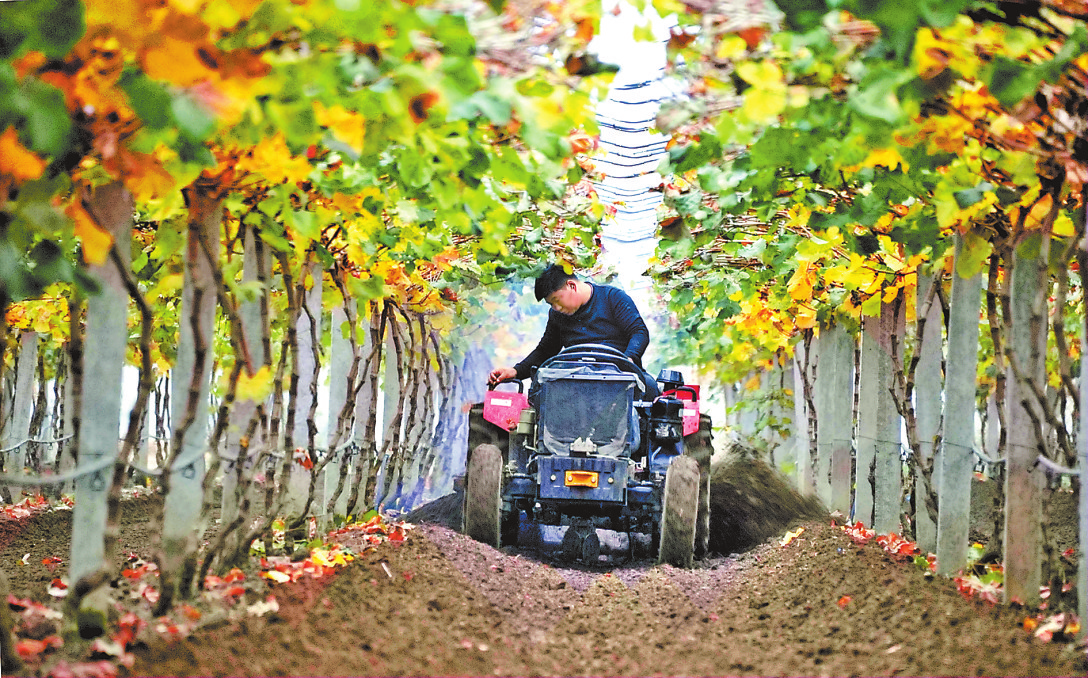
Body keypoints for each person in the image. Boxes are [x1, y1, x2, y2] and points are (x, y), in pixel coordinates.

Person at [488, 264, 660, 399]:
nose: (556, 307)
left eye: (556, 300)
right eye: (551, 304)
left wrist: (627, 360)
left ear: (571, 285)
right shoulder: (557, 315)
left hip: (619, 377)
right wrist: (516, 371)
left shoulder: (612, 298)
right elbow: (545, 351)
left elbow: (638, 332)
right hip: (575, 379)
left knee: (651, 391)